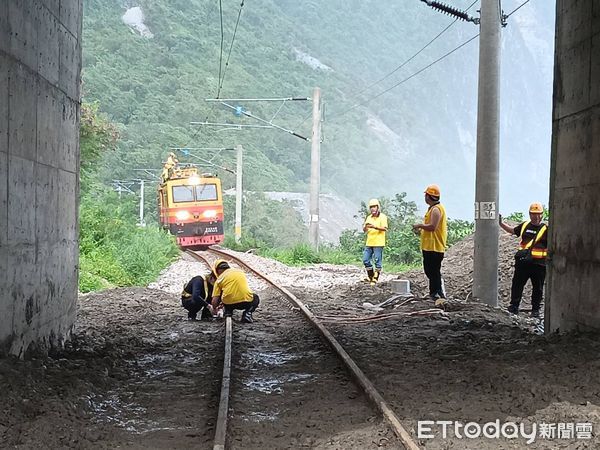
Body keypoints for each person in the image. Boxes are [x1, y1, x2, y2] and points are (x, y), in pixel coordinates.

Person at [499, 202, 548, 318]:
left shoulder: (546, 229)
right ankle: (514, 306)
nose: (536, 217)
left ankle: (535, 310)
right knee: (517, 284)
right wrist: (501, 223)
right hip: (523, 262)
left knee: (538, 288)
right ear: (530, 214)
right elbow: (512, 231)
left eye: (538, 214)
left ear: (542, 215)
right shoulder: (525, 225)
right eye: (533, 214)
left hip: (539, 264)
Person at [412, 184, 448, 306]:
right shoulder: (433, 209)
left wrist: (420, 225)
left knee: (433, 271)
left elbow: (433, 227)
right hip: (429, 245)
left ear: (429, 196)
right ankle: (435, 293)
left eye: (426, 195)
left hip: (434, 246)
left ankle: (437, 293)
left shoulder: (436, 210)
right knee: (430, 271)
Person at [362, 198, 389, 285]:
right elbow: (364, 230)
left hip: (378, 242)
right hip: (369, 242)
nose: (373, 209)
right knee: (365, 260)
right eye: (371, 207)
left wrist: (374, 227)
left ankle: (375, 278)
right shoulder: (369, 217)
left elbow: (385, 228)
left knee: (377, 260)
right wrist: (366, 227)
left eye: (374, 207)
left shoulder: (383, 217)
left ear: (378, 207)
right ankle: (371, 276)